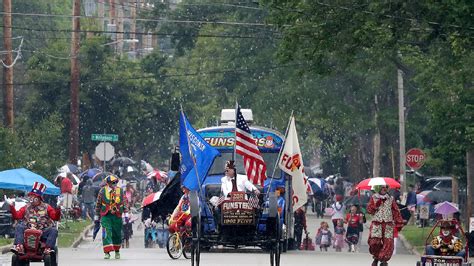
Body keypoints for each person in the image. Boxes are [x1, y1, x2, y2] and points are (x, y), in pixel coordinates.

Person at [9, 182, 61, 255]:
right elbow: (17, 216)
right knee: (19, 226)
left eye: (33, 196)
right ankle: (19, 246)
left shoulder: (47, 207)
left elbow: (55, 217)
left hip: (42, 231)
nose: (31, 198)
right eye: (31, 196)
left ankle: (47, 248)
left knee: (53, 230)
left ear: (38, 198)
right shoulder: (26, 207)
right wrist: (11, 207)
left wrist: (58, 209)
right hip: (28, 230)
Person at [367, 185, 404, 266]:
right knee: (374, 242)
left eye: (386, 187)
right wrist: (375, 205)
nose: (384, 189)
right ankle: (376, 257)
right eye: (382, 187)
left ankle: (383, 260)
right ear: (379, 188)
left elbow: (396, 211)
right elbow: (369, 210)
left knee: (388, 243)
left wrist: (399, 223)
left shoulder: (391, 199)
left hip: (388, 224)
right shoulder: (374, 197)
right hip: (377, 223)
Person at [94, 175, 127, 259]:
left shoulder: (120, 190)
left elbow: (124, 202)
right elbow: (98, 204)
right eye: (113, 183)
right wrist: (96, 216)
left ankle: (117, 251)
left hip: (117, 215)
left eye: (116, 182)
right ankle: (107, 252)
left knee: (117, 234)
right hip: (106, 215)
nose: (115, 184)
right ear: (108, 183)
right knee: (106, 233)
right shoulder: (102, 191)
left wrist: (126, 213)